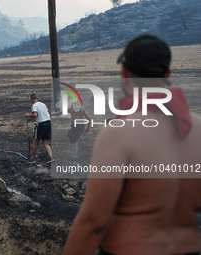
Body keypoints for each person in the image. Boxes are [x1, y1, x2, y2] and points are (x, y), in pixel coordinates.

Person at [62, 34, 201, 255]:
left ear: (125, 74)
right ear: (168, 73)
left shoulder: (119, 133)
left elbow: (93, 222)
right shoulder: (196, 128)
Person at [25, 94, 53, 164]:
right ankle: (50, 157)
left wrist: (28, 115)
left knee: (35, 142)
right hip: (48, 123)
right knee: (45, 142)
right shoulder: (43, 104)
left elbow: (35, 115)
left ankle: (32, 159)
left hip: (41, 124)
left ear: (31, 99)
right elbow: (48, 114)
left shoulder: (34, 105)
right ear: (37, 98)